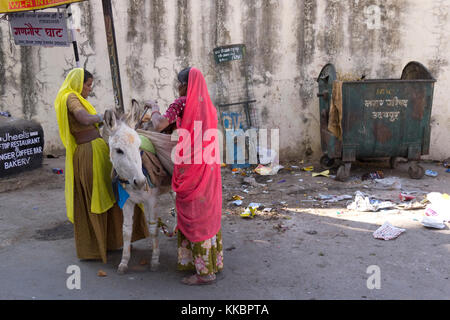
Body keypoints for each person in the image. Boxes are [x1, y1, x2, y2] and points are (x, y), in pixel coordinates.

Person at [54, 68, 148, 263]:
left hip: (96, 149)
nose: (89, 89)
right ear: (78, 83)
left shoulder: (77, 98)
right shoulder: (70, 97)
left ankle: (112, 241)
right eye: (87, 85)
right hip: (87, 153)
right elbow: (83, 118)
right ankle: (97, 246)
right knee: (95, 196)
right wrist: (102, 117)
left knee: (110, 192)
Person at [143, 67, 223, 285]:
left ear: (185, 84)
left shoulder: (181, 103)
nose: (177, 87)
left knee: (194, 213)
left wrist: (155, 108)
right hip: (208, 167)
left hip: (190, 169)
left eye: (179, 83)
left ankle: (204, 273)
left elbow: (159, 125)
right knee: (206, 211)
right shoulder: (209, 106)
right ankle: (209, 262)